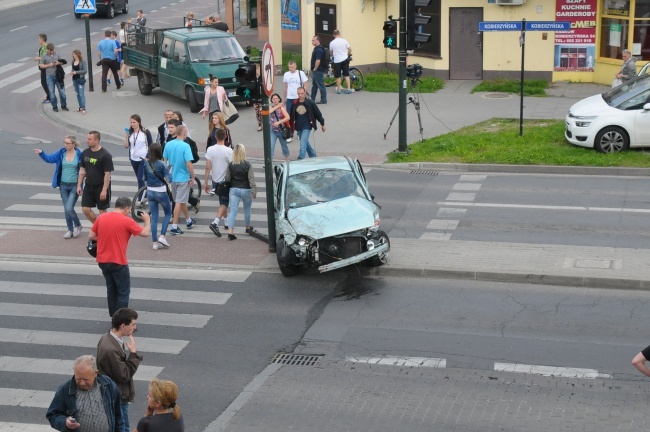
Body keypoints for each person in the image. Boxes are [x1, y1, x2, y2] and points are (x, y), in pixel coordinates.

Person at [89, 196, 150, 317]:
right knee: (123, 292)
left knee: (111, 290)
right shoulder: (127, 221)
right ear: (127, 208)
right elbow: (145, 233)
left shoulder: (102, 217)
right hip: (118, 261)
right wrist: (147, 221)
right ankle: (121, 321)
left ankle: (114, 317)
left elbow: (91, 235)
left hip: (103, 261)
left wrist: (105, 239)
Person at [46, 355, 124, 432]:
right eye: (78, 378)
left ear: (96, 373)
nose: (82, 383)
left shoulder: (108, 385)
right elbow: (52, 415)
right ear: (74, 371)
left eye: (86, 379)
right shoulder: (65, 390)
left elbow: (118, 417)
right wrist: (65, 422)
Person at [97, 308, 143, 432]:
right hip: (117, 396)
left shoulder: (110, 338)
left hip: (116, 394)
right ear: (123, 326)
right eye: (133, 324)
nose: (135, 327)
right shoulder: (110, 349)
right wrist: (133, 355)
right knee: (122, 428)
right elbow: (124, 375)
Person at [34, 136, 83, 239]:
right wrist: (41, 153)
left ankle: (78, 225)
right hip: (63, 185)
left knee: (69, 208)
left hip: (75, 185)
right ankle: (70, 230)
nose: (65, 145)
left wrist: (80, 185)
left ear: (74, 144)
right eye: (64, 142)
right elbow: (50, 159)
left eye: (68, 143)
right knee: (66, 209)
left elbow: (84, 169)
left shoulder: (79, 154)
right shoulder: (61, 152)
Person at [163, 125, 196, 235]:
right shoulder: (185, 146)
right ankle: (174, 227)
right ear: (184, 134)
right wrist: (193, 176)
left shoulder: (168, 144)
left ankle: (188, 221)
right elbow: (189, 164)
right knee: (179, 201)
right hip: (182, 177)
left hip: (172, 177)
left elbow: (165, 160)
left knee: (180, 200)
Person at [77, 131, 113, 224]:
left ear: (96, 140)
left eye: (89, 139)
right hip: (88, 186)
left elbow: (107, 174)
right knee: (85, 209)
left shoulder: (105, 155)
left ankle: (103, 230)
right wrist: (79, 185)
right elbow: (82, 171)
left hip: (100, 186)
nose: (87, 141)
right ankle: (98, 226)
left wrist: (104, 190)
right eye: (87, 138)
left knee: (102, 212)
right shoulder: (85, 153)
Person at [204, 128, 233, 237]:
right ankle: (215, 222)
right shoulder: (229, 151)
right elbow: (232, 166)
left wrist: (206, 182)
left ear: (215, 137)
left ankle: (226, 221)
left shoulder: (210, 149)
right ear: (225, 137)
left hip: (215, 180)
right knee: (225, 203)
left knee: (222, 201)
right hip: (225, 181)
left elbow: (208, 167)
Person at [143, 143, 172, 250]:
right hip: (161, 191)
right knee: (168, 213)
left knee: (154, 217)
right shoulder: (162, 164)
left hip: (150, 191)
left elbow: (144, 178)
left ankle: (155, 243)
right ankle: (162, 236)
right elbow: (169, 179)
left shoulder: (146, 163)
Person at [225, 144, 256, 240]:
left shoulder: (230, 164)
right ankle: (247, 227)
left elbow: (227, 178)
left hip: (234, 189)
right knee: (247, 209)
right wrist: (254, 190)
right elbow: (251, 179)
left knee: (233, 211)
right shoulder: (248, 164)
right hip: (246, 189)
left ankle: (230, 232)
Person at [124, 114, 152, 205]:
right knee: (140, 178)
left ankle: (140, 199)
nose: (132, 124)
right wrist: (126, 137)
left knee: (140, 178)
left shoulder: (145, 132)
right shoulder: (130, 132)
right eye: (131, 122)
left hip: (143, 158)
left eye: (134, 122)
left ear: (139, 122)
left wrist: (148, 157)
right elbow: (126, 146)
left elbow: (151, 145)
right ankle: (146, 193)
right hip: (133, 159)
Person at [290, 87, 325, 159]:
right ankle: (313, 156)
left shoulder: (310, 102)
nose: (300, 95)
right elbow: (291, 115)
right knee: (305, 142)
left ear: (305, 93)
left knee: (303, 143)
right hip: (298, 126)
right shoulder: (295, 103)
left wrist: (322, 124)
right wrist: (290, 126)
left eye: (302, 93)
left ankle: (301, 158)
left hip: (307, 126)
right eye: (299, 94)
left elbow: (318, 114)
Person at [39, 42, 68, 112]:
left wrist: (58, 63)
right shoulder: (44, 56)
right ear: (47, 50)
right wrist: (49, 65)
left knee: (62, 92)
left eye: (52, 50)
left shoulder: (56, 54)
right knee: (52, 93)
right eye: (50, 51)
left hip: (58, 76)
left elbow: (62, 61)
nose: (52, 52)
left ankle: (64, 105)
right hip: (49, 76)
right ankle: (54, 106)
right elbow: (41, 65)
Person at [329, 29, 353, 94]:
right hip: (345, 59)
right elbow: (350, 49)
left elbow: (331, 52)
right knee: (346, 75)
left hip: (337, 60)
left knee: (338, 76)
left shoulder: (332, 43)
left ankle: (339, 89)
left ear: (333, 35)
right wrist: (347, 55)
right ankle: (348, 89)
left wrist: (333, 55)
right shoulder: (344, 41)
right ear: (339, 34)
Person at [268, 93, 291, 161]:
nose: (275, 100)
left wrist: (279, 122)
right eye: (273, 99)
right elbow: (269, 111)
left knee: (284, 146)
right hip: (273, 130)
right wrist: (278, 106)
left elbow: (288, 117)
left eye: (276, 98)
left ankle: (286, 158)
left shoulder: (282, 108)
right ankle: (270, 160)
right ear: (271, 100)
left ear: (279, 99)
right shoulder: (271, 107)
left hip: (281, 130)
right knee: (271, 146)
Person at [310, 35, 328, 104]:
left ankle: (323, 99)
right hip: (317, 70)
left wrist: (315, 68)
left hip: (318, 70)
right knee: (315, 85)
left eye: (313, 40)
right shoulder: (317, 48)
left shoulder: (319, 49)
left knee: (320, 85)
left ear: (318, 41)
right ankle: (312, 99)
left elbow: (318, 61)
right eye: (312, 40)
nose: (312, 41)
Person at [70, 49, 87, 114]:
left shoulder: (83, 62)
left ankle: (84, 108)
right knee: (77, 93)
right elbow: (73, 69)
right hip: (74, 79)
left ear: (78, 55)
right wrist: (71, 72)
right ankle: (80, 107)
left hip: (80, 80)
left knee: (81, 94)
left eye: (74, 54)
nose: (73, 55)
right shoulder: (73, 61)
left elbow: (85, 70)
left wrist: (76, 72)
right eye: (73, 54)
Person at [35, 33, 49, 104]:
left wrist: (38, 58)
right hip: (43, 67)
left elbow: (45, 58)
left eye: (39, 38)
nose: (38, 40)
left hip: (44, 67)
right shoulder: (44, 46)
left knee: (44, 82)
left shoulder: (45, 47)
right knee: (45, 82)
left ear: (42, 39)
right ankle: (48, 96)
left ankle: (49, 97)